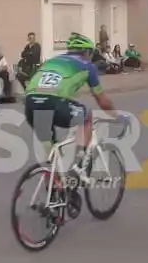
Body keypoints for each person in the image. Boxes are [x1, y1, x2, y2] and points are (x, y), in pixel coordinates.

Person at [24, 32, 125, 172]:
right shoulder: (88, 66)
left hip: (30, 102)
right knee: (87, 117)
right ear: (87, 52)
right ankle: (79, 166)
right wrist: (117, 116)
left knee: (51, 149)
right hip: (53, 101)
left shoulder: (52, 60)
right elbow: (102, 101)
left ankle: (53, 184)